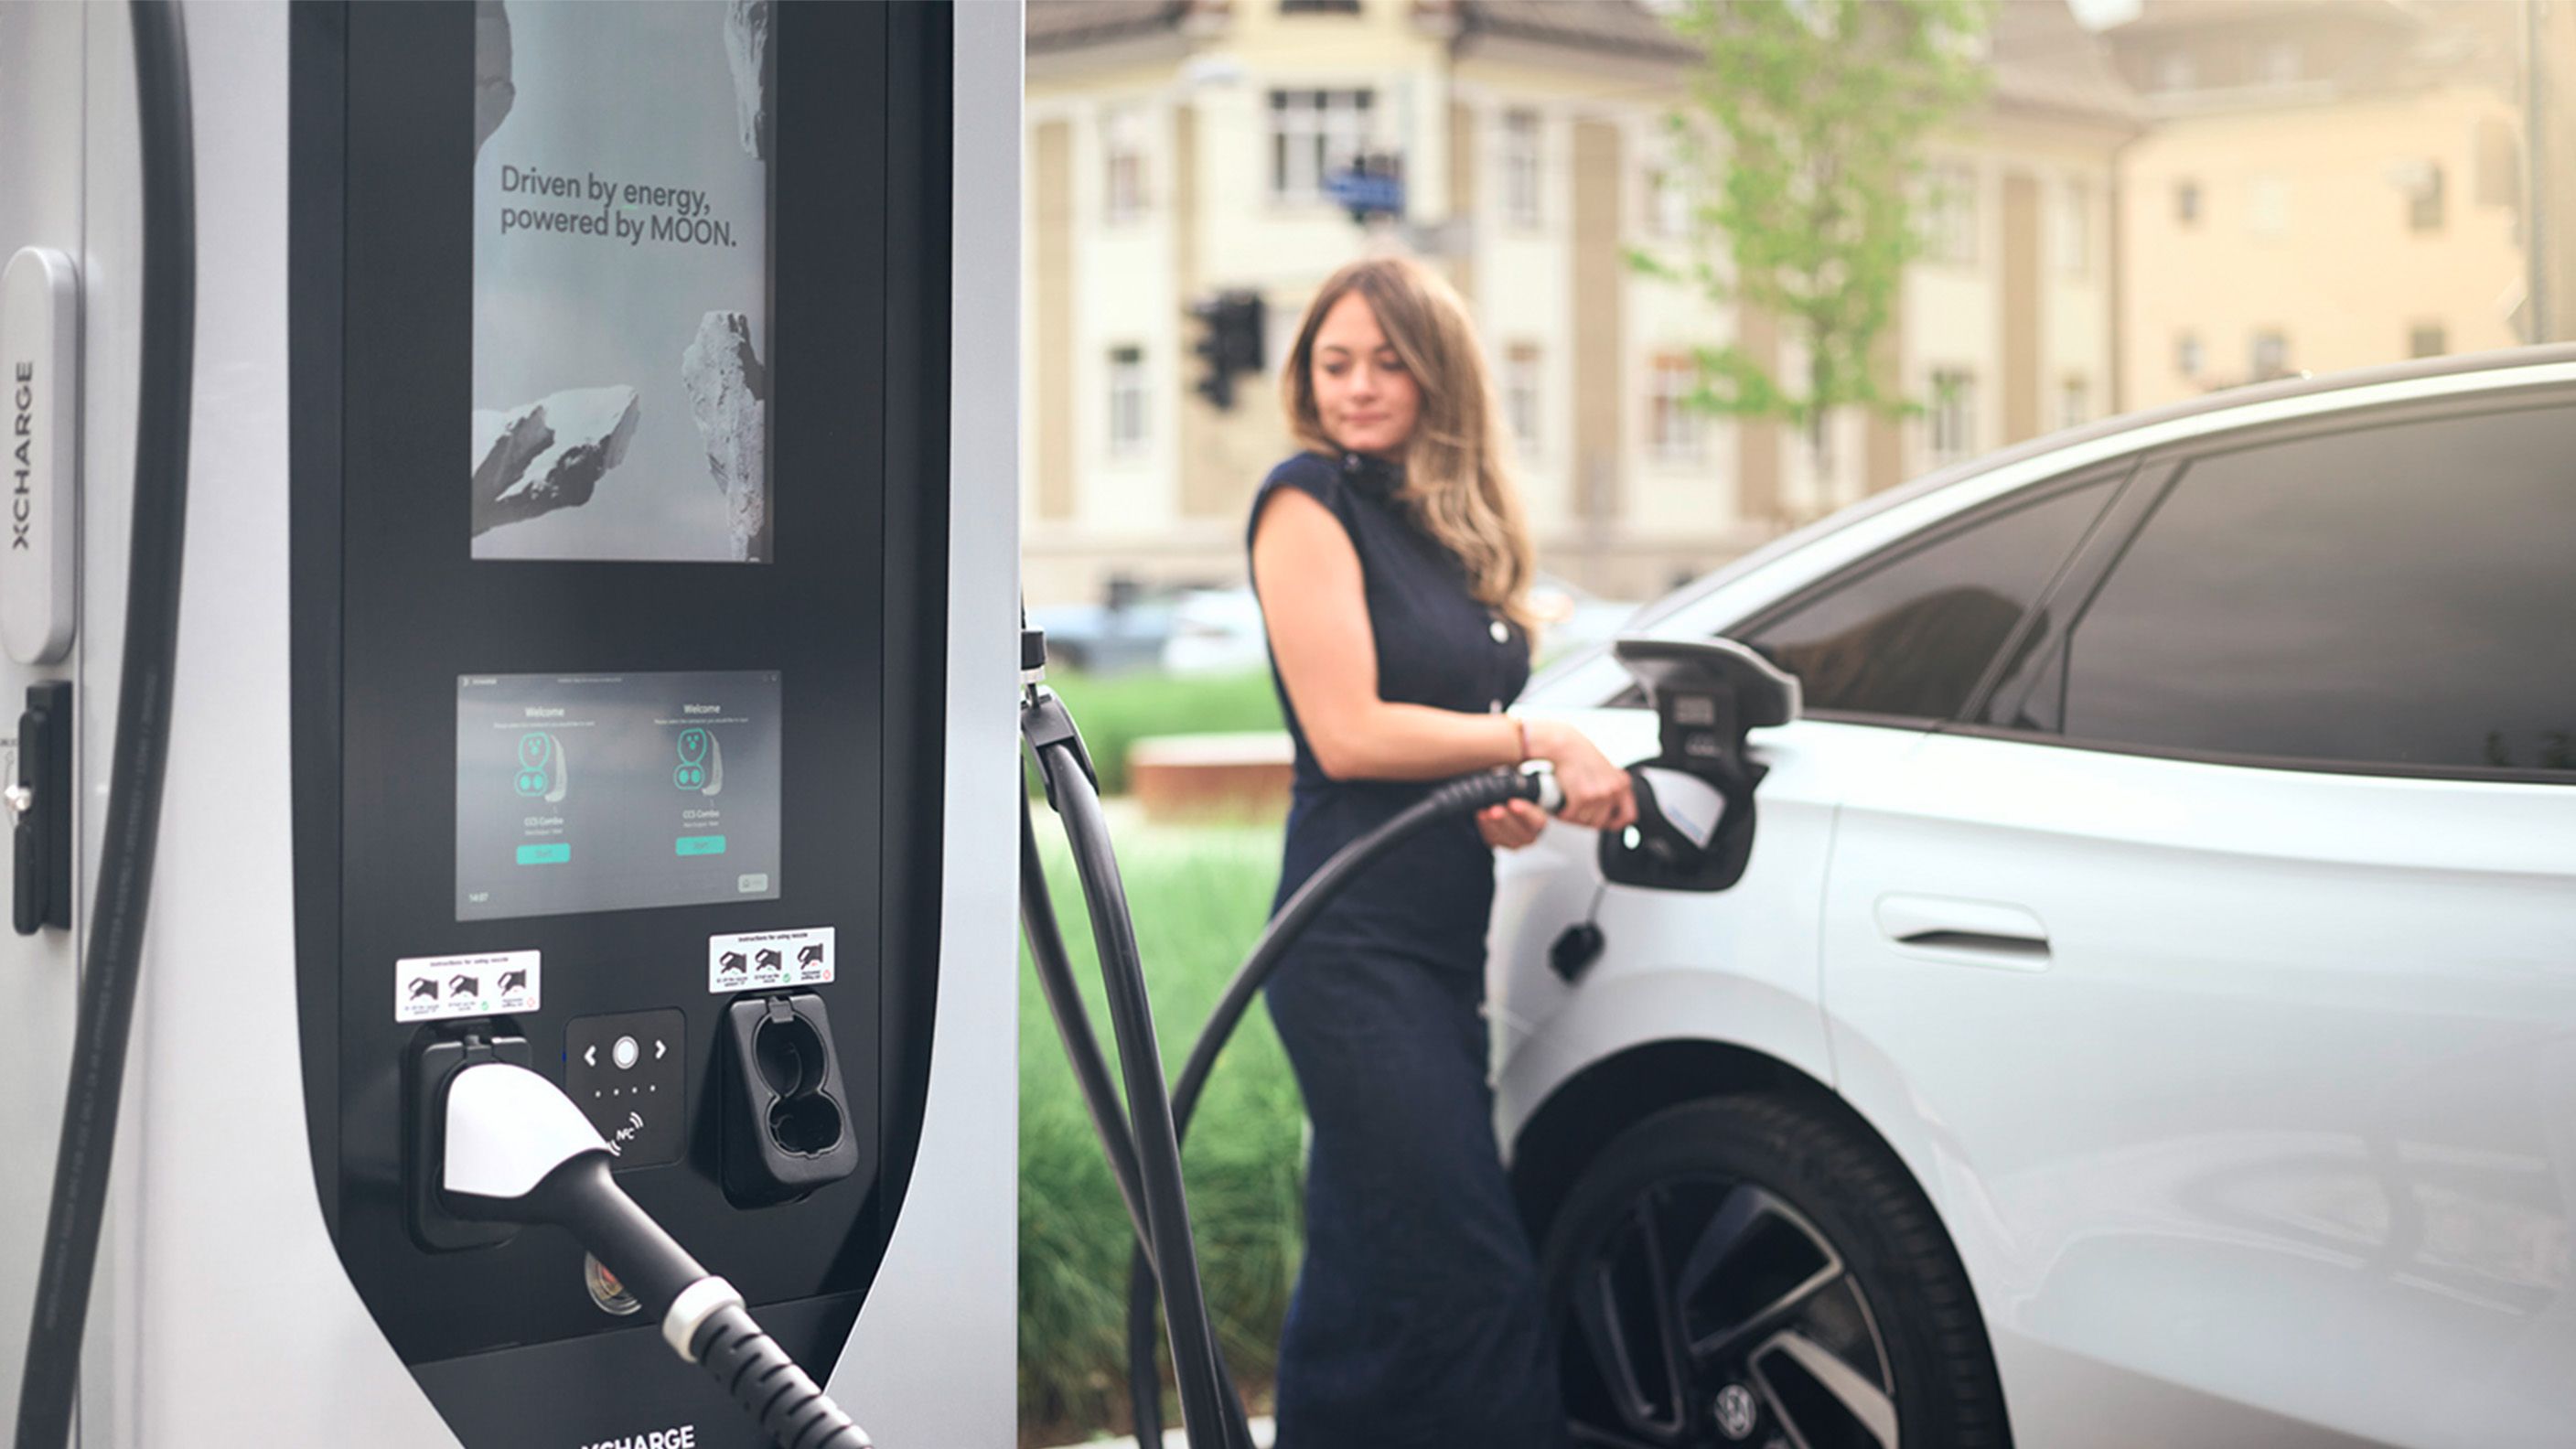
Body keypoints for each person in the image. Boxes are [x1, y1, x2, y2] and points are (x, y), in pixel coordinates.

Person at [1247, 255, 1637, 1448]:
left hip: (1438, 938)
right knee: (1473, 1275)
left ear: (1437, 374)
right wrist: (1543, 736)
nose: (1360, 387)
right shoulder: (1306, 499)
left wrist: (1498, 798)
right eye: (1335, 362)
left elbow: (1437, 741)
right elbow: (1350, 733)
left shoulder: (1444, 530)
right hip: (1348, 941)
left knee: (1370, 1282)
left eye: (1387, 362)